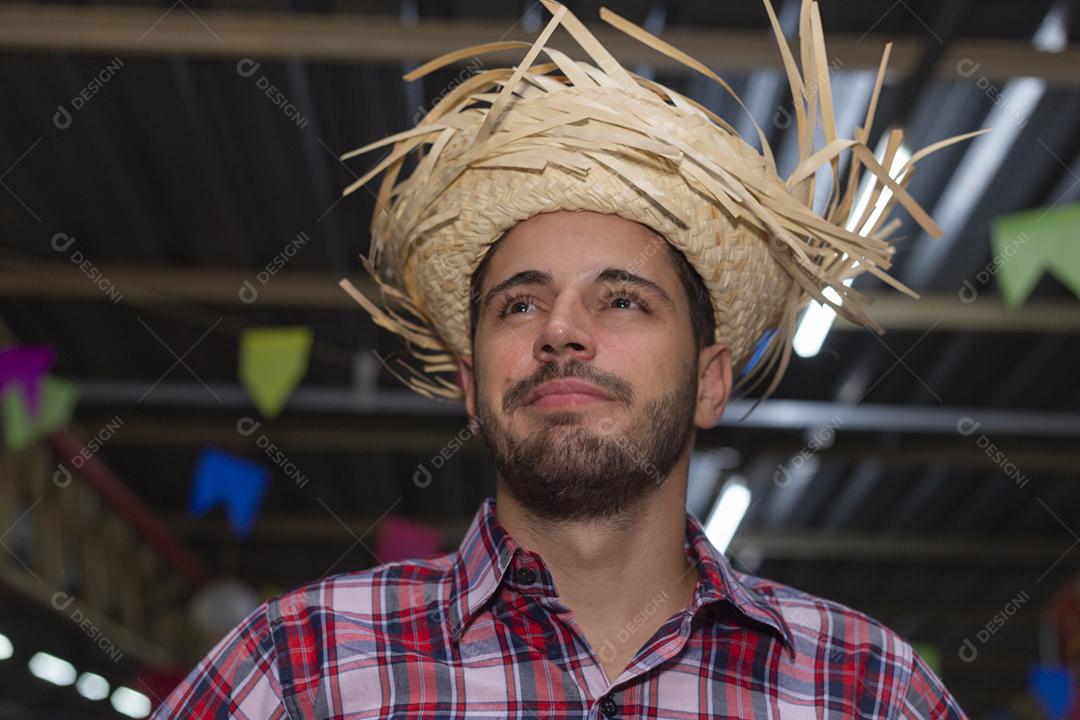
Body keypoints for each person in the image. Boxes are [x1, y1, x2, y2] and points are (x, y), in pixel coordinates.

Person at [154, 1, 980, 717]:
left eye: (622, 299)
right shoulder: (297, 668)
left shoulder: (867, 688)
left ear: (711, 381)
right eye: (519, 303)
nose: (560, 330)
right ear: (473, 386)